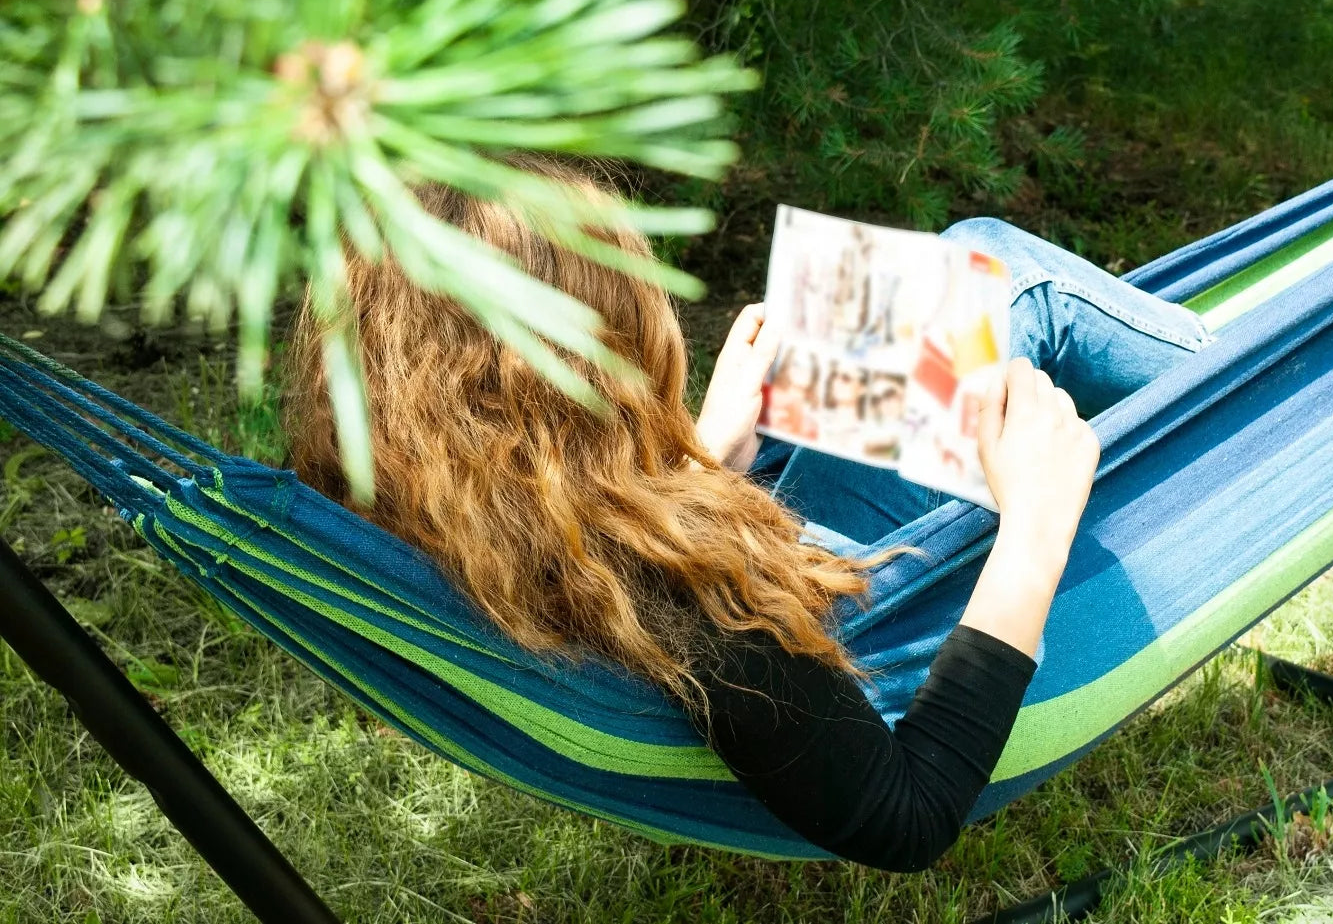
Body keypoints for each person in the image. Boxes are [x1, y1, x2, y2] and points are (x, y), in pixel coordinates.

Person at [283, 162, 1212, 872]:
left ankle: (1269, 339)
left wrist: (692, 456)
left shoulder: (437, 523)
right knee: (1007, 279)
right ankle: (1270, 357)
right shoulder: (703, 617)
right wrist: (1034, 527)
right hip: (867, 605)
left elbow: (554, 502)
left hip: (724, 539)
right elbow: (907, 814)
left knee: (920, 287)